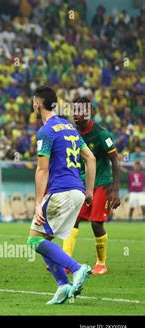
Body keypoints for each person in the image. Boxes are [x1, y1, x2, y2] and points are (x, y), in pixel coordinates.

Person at [27, 86, 96, 304]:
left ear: (37, 104)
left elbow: (42, 169)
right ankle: (62, 286)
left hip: (60, 192)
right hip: (76, 191)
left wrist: (38, 203)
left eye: (33, 101)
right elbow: (90, 158)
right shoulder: (69, 127)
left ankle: (77, 269)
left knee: (34, 240)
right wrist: (89, 191)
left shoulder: (46, 132)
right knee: (44, 239)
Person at [62, 97, 121, 275]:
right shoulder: (73, 133)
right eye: (75, 111)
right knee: (73, 220)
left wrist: (116, 191)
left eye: (81, 111)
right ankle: (65, 263)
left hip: (102, 183)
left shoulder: (102, 134)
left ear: (90, 113)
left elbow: (116, 161)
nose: (76, 114)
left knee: (96, 223)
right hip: (82, 183)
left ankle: (101, 263)